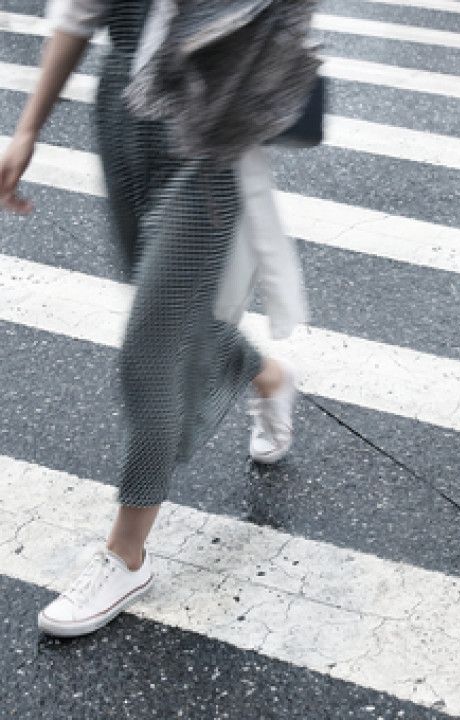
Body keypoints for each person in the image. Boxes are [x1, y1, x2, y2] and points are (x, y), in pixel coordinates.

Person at [0, 0, 310, 637]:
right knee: (172, 316)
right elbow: (77, 14)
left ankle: (126, 555)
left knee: (150, 347)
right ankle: (267, 376)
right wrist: (29, 129)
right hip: (122, 109)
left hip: (211, 128)